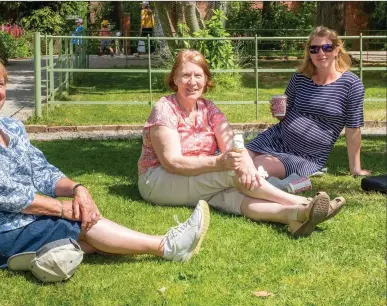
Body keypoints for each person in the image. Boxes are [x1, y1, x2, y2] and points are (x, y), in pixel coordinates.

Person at [0, 47, 210, 275]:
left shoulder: (10, 127)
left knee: (82, 226)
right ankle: (167, 246)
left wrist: (78, 189)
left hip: (15, 219)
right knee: (77, 224)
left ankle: (49, 253)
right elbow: (3, 192)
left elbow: (41, 171)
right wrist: (63, 209)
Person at [137, 49, 346, 237]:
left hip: (196, 177)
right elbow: (172, 162)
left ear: (206, 80)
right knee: (231, 174)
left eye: (198, 75)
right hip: (158, 180)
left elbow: (233, 144)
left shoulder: (209, 109)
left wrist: (246, 167)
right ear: (174, 79)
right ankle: (303, 203)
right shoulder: (164, 109)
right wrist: (220, 164)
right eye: (186, 75)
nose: (192, 82)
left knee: (237, 195)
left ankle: (293, 216)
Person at [246, 26, 371, 179]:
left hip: (304, 157)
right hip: (275, 138)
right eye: (314, 49)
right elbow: (284, 114)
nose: (321, 53)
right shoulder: (300, 77)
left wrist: (355, 168)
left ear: (337, 50)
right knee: (237, 160)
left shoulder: (351, 85)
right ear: (309, 53)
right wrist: (278, 112)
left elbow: (353, 128)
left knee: (257, 167)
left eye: (326, 47)